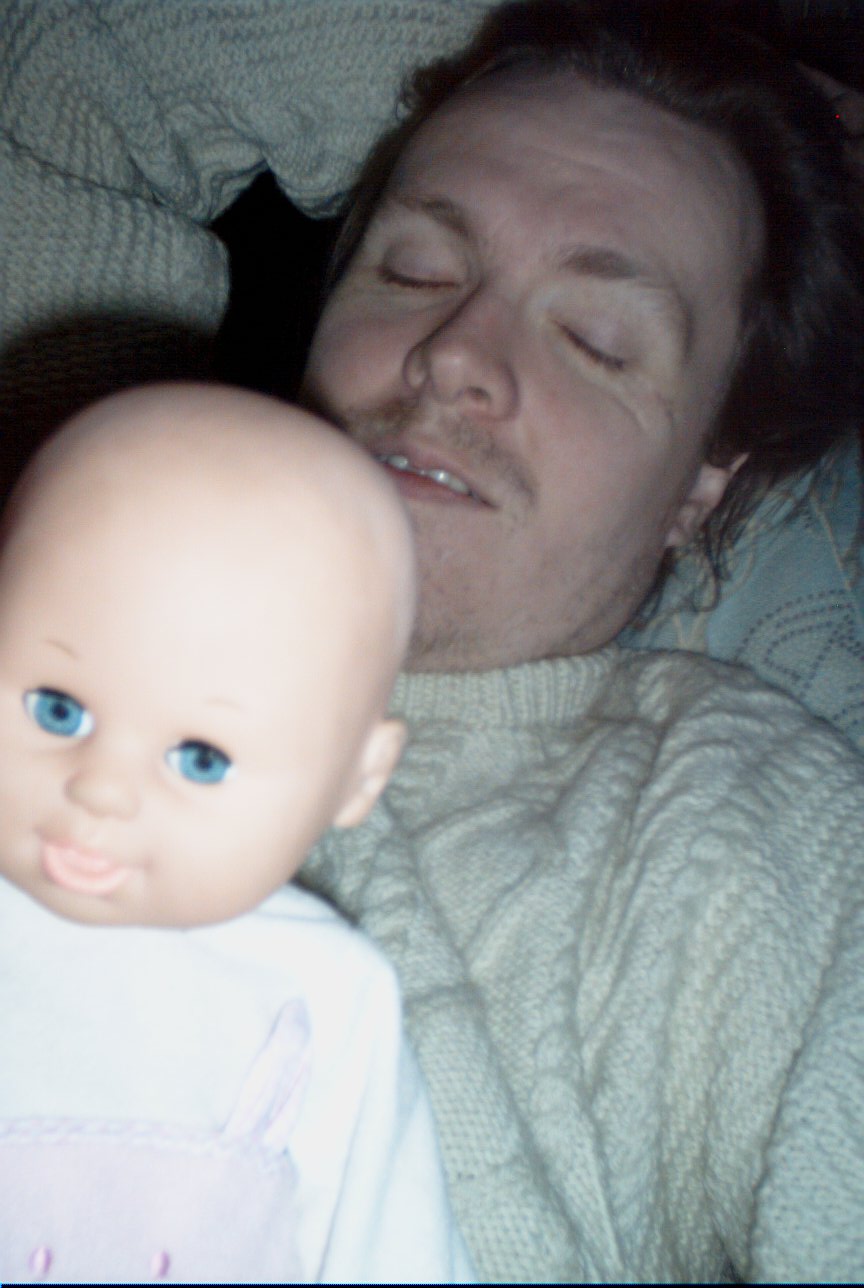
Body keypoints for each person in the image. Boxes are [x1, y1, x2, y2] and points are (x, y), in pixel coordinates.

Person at [292, 2, 864, 1281]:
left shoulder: (750, 833)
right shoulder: (58, 571)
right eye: (414, 271)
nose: (455, 357)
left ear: (702, 485)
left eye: (596, 339)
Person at [0, 382, 472, 1284]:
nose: (100, 790)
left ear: (357, 778)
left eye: (201, 759)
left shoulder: (328, 997)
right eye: (58, 709)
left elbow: (389, 1248)